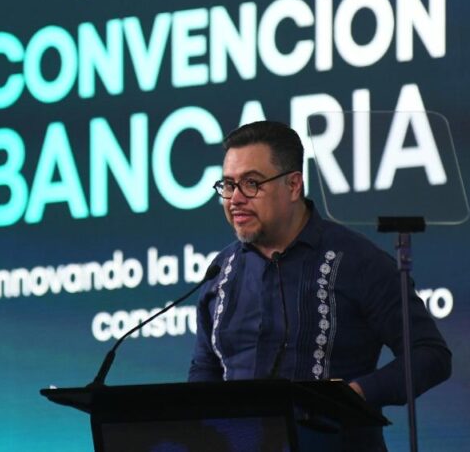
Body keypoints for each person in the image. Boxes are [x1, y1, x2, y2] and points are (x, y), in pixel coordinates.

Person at [188, 120, 451, 452]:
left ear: (293, 185)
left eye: (251, 183)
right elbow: (205, 368)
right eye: (228, 185)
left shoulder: (359, 262)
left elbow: (430, 354)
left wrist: (356, 394)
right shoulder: (220, 272)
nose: (235, 199)